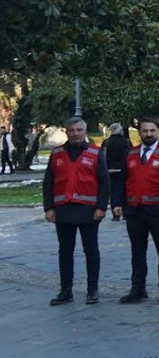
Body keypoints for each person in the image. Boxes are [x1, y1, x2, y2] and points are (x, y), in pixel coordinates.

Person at [43, 117, 108, 305]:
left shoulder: (95, 153)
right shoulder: (56, 154)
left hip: (88, 211)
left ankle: (92, 290)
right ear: (66, 131)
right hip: (63, 210)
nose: (75, 133)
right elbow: (48, 182)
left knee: (91, 250)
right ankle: (66, 291)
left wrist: (101, 207)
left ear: (85, 131)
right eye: (71, 130)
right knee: (65, 252)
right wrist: (49, 208)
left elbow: (104, 183)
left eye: (79, 130)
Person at [112, 117, 159, 303]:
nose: (149, 134)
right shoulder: (130, 153)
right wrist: (117, 203)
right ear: (139, 132)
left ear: (158, 131)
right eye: (145, 131)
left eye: (152, 131)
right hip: (134, 210)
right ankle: (138, 288)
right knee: (137, 252)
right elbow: (122, 181)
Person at [102, 123, 131, 221]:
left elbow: (103, 156)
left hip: (109, 170)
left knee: (113, 192)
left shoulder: (106, 142)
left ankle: (115, 214)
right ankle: (125, 213)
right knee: (124, 191)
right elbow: (130, 155)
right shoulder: (126, 142)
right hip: (123, 170)